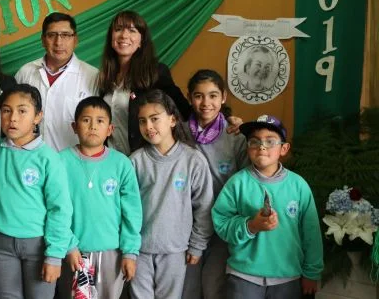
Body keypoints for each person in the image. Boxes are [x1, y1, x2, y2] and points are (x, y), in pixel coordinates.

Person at [212, 115, 323, 299]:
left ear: (284, 148)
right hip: (243, 276)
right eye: (254, 142)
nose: (261, 147)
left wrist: (311, 273)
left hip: (287, 277)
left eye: (270, 141)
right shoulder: (237, 183)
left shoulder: (298, 185)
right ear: (247, 148)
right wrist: (251, 225)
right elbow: (221, 222)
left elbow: (311, 233)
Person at [0, 84, 74, 298]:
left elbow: (59, 209)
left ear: (38, 117)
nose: (13, 118)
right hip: (0, 242)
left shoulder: (49, 158)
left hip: (38, 245)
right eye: (6, 110)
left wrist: (54, 255)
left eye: (22, 111)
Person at [129, 89, 214, 299]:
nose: (148, 126)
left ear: (173, 119)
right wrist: (128, 248)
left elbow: (204, 208)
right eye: (142, 121)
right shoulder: (135, 161)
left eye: (154, 119)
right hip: (138, 250)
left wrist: (197, 245)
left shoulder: (193, 161)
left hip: (176, 251)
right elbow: (125, 209)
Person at [56, 96, 142, 299]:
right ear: (74, 126)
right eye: (86, 120)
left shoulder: (121, 163)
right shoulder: (60, 161)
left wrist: (130, 252)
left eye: (100, 121)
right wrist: (68, 245)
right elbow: (55, 209)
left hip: (112, 252)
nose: (93, 126)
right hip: (74, 252)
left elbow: (132, 212)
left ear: (110, 129)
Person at [182, 70, 248, 299]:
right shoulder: (178, 133)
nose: (206, 103)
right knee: (187, 290)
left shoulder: (236, 136)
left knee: (213, 289)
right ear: (189, 97)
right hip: (187, 227)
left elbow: (247, 184)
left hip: (222, 227)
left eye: (213, 95)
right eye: (199, 96)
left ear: (223, 97)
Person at [98, 10, 190, 155]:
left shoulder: (156, 72)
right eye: (118, 29)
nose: (124, 35)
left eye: (132, 30)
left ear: (141, 41)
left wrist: (225, 120)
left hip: (145, 160)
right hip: (112, 160)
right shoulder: (106, 76)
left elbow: (185, 111)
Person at [15, 12, 98, 151]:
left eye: (65, 35)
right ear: (43, 40)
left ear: (75, 40)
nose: (58, 42)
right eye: (52, 35)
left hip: (73, 162)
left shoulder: (93, 76)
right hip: (28, 159)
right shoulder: (25, 72)